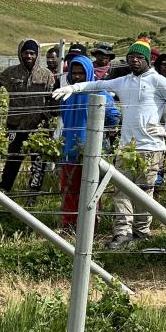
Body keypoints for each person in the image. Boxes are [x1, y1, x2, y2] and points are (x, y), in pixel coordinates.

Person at [53, 39, 166, 249]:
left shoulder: (157, 80)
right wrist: (75, 87)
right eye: (131, 57)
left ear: (146, 61)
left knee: (144, 192)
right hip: (127, 147)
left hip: (151, 147)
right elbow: (98, 84)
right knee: (120, 191)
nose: (134, 61)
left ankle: (142, 232)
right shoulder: (124, 81)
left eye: (139, 57)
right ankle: (122, 232)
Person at [0, 38, 56, 201]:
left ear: (37, 55)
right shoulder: (11, 72)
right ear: (20, 54)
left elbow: (51, 99)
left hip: (39, 126)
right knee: (13, 158)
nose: (29, 56)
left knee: (38, 162)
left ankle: (32, 194)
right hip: (15, 124)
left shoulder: (47, 75)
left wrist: (48, 118)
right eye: (26, 53)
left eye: (32, 53)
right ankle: (4, 190)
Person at [58, 54, 120, 230]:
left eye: (81, 73)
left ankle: (89, 226)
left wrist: (101, 131)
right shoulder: (67, 94)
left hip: (92, 150)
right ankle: (68, 225)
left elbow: (114, 116)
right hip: (70, 149)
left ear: (89, 73)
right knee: (69, 189)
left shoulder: (99, 93)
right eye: (74, 72)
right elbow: (64, 118)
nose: (77, 76)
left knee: (91, 190)